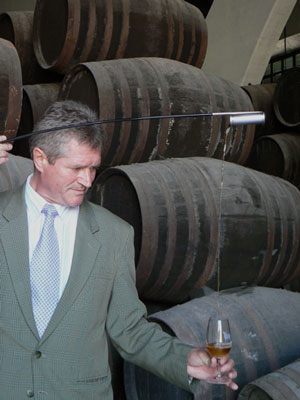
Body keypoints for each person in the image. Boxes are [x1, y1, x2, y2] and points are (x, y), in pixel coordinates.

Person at [0, 100, 237, 399]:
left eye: (93, 168)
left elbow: (129, 330)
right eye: (76, 168)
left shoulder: (115, 234)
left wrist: (184, 360)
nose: (87, 180)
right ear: (40, 158)